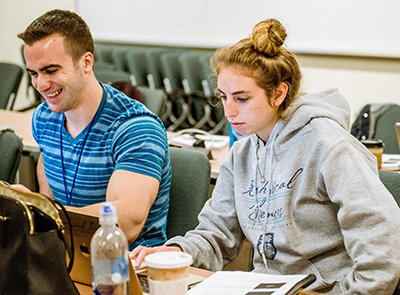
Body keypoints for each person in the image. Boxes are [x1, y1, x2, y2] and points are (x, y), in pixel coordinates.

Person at [130, 19, 400, 294]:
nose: (229, 111)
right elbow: (215, 235)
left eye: (242, 99)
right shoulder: (242, 155)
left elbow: (382, 240)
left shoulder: (328, 145)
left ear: (278, 94)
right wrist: (175, 251)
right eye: (224, 97)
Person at [16, 9, 171, 249]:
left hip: (126, 266)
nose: (41, 84)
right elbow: (49, 198)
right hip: (66, 254)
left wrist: (39, 211)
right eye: (34, 74)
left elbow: (125, 226)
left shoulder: (135, 128)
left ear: (86, 62)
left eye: (51, 70)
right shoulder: (44, 118)